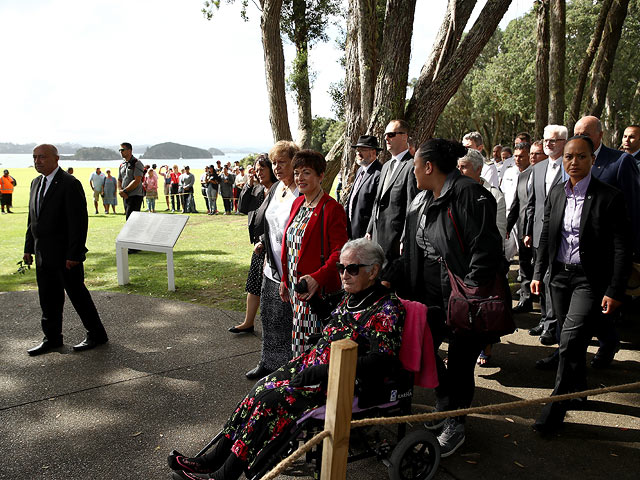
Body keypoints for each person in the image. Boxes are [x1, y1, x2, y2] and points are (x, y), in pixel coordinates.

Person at [167, 239, 405, 480]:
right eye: (341, 268)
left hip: (340, 382)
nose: (344, 275)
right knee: (260, 388)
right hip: (312, 366)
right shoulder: (353, 297)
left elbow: (382, 360)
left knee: (270, 402)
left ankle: (224, 475)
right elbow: (335, 324)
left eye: (352, 268)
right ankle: (213, 460)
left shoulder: (387, 308)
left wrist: (324, 371)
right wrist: (313, 300)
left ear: (373, 270)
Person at [385, 138, 505, 457]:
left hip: (464, 296)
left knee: (462, 363)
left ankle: (456, 422)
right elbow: (412, 249)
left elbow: (486, 248)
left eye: (415, 166)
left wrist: (470, 291)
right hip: (428, 292)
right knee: (420, 345)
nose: (412, 172)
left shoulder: (470, 193)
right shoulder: (421, 199)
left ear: (428, 166)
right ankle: (444, 400)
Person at [531, 135, 631, 433]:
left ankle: (556, 407)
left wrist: (615, 289)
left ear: (593, 159)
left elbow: (621, 247)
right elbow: (548, 235)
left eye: (581, 157)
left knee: (570, 341)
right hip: (559, 277)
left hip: (589, 280)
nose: (574, 162)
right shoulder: (557, 193)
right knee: (569, 338)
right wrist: (538, 273)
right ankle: (580, 389)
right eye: (569, 157)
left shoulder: (609, 196)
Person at [23, 144, 108, 356]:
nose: (37, 161)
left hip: (65, 256)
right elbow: (32, 219)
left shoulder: (69, 184)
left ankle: (96, 334)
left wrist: (75, 254)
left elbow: (78, 223)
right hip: (43, 254)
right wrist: (28, 249)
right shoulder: (36, 183)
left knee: (78, 296)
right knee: (48, 299)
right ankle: (52, 338)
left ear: (56, 159)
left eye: (42, 157)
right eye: (35, 157)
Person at [573, 115, 640, 367]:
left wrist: (632, 251)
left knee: (601, 308)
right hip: (572, 251)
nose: (580, 138)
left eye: (586, 134)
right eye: (577, 133)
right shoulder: (570, 160)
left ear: (600, 136)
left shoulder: (620, 162)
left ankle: (607, 343)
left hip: (607, 253)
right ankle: (568, 352)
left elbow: (633, 209)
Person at [279, 149, 348, 356]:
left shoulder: (332, 208)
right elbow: (290, 245)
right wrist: (285, 278)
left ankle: (310, 385)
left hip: (315, 292)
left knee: (311, 348)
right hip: (295, 288)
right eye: (297, 172)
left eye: (307, 172)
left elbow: (340, 253)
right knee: (299, 342)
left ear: (321, 176)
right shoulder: (298, 203)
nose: (300, 178)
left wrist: (317, 278)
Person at [245, 140, 300, 380]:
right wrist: (262, 243)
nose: (277, 167)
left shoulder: (301, 189)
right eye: (274, 162)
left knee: (290, 320)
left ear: (294, 163)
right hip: (270, 264)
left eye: (282, 162)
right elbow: (267, 221)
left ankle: (288, 368)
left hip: (293, 267)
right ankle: (267, 362)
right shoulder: (277, 188)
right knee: (268, 315)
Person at [524, 125, 568, 350]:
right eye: (546, 140)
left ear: (564, 142)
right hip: (539, 232)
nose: (549, 144)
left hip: (562, 233)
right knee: (538, 277)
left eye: (554, 140)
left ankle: (553, 325)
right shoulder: (538, 168)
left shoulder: (570, 167)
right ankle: (545, 320)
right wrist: (529, 230)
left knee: (552, 279)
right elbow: (532, 202)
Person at [231, 155, 277, 334]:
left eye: (262, 169)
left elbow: (274, 221)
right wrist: (249, 185)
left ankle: (272, 328)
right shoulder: (257, 189)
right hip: (258, 245)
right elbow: (243, 208)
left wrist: (263, 241)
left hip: (271, 246)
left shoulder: (277, 190)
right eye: (257, 170)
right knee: (253, 284)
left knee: (269, 288)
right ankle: (248, 322)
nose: (259, 173)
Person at [366, 119, 418, 264]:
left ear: (404, 136)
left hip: (395, 240)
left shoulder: (411, 166)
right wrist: (370, 229)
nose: (386, 138)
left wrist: (405, 238)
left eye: (391, 134)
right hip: (377, 236)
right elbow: (378, 200)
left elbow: (412, 207)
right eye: (385, 135)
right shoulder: (386, 166)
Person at [506, 143, 534, 314]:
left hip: (535, 230)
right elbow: (515, 204)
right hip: (519, 226)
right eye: (515, 156)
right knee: (523, 265)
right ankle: (526, 299)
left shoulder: (537, 174)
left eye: (521, 156)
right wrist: (507, 227)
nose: (518, 159)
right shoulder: (516, 175)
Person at [346, 135, 382, 239]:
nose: (358, 153)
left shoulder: (379, 173)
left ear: (373, 152)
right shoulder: (360, 171)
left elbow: (378, 205)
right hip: (352, 230)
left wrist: (370, 230)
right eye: (357, 150)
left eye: (362, 149)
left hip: (366, 234)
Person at [118, 142, 145, 220]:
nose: (121, 152)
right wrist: (120, 191)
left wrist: (124, 191)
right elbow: (119, 179)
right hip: (125, 196)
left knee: (132, 221)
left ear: (129, 150)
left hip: (135, 196)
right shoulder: (122, 165)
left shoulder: (137, 163)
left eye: (122, 150)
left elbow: (137, 180)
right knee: (128, 220)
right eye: (119, 150)